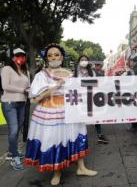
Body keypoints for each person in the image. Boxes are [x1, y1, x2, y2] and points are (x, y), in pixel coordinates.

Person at [24, 43, 97, 186]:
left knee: (76, 136)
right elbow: (35, 98)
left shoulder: (71, 74)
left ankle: (81, 167)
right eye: (50, 55)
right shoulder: (41, 75)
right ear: (46, 58)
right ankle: (57, 172)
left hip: (71, 109)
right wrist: (55, 87)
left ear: (62, 57)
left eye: (56, 54)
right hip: (51, 111)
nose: (53, 57)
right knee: (55, 139)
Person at [1, 48, 30, 170]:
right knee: (13, 130)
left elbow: (28, 87)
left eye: (23, 56)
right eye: (18, 56)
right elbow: (5, 86)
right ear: (13, 57)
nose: (20, 58)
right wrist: (22, 90)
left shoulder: (26, 71)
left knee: (17, 129)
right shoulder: (7, 69)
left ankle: (12, 150)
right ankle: (14, 157)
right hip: (9, 103)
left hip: (22, 103)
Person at [74, 55, 109, 144]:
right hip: (79, 98)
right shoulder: (75, 73)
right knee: (79, 117)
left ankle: (100, 135)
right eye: (82, 60)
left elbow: (94, 83)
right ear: (78, 61)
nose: (84, 61)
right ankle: (79, 136)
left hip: (90, 97)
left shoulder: (92, 72)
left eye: (86, 60)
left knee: (96, 116)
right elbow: (74, 84)